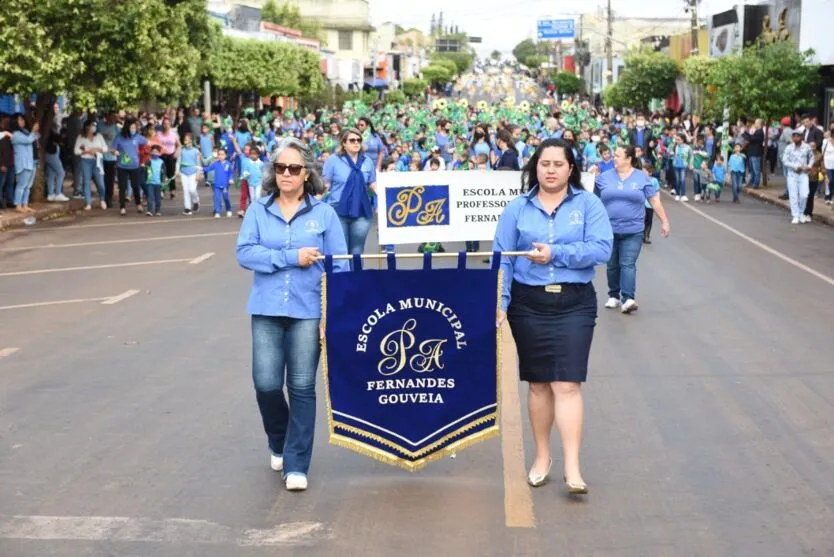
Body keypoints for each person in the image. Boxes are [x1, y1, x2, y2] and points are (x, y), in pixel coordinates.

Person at [493, 138, 613, 495]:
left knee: (568, 383)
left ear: (571, 168)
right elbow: (503, 257)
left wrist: (556, 253)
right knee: (540, 383)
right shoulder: (517, 207)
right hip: (528, 305)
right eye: (544, 164)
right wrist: (500, 303)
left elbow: (601, 248)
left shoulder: (588, 204)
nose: (550, 170)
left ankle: (573, 468)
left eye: (558, 164)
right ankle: (542, 457)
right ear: (535, 167)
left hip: (575, 303)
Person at [236, 138, 348, 492]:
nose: (285, 173)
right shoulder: (258, 210)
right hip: (266, 309)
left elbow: (339, 267)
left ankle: (296, 463)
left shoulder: (324, 214)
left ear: (306, 174)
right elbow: (245, 252)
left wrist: (335, 313)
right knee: (266, 384)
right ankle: (278, 439)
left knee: (301, 386)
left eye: (293, 168)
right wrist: (289, 256)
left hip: (309, 311)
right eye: (280, 167)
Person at [596, 145, 670, 314]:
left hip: (633, 230)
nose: (614, 158)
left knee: (627, 264)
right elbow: (587, 194)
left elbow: (654, 201)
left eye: (618, 156)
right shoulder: (604, 177)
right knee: (612, 265)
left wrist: (664, 221)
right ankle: (613, 295)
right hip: (609, 229)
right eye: (614, 155)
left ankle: (628, 298)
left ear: (629, 159)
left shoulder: (642, 178)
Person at [322, 128, 377, 255]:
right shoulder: (333, 160)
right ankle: (343, 275)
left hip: (361, 211)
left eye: (359, 140)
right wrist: (314, 200)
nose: (356, 143)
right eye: (352, 140)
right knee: (341, 250)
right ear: (344, 143)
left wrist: (385, 195)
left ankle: (356, 275)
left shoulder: (367, 161)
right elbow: (326, 184)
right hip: (338, 211)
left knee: (357, 250)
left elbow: (372, 183)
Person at [782, 130, 813, 224]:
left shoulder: (807, 147)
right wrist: (794, 167)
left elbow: (812, 157)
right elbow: (784, 160)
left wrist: (809, 166)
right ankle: (795, 215)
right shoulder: (789, 148)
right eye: (794, 136)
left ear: (801, 137)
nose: (796, 138)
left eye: (798, 136)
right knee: (793, 195)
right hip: (792, 174)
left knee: (804, 195)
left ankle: (801, 213)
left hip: (803, 174)